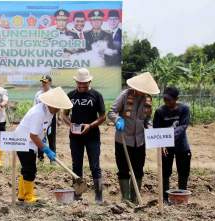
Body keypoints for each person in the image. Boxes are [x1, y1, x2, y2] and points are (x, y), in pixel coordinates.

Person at [108, 72, 159, 204]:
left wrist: (150, 128)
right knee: (123, 169)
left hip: (139, 141)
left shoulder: (148, 100)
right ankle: (125, 199)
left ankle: (135, 198)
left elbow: (147, 119)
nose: (142, 92)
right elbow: (111, 112)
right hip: (123, 139)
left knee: (138, 169)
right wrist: (118, 119)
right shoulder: (125, 96)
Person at [16, 87, 73, 203]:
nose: (58, 109)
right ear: (50, 103)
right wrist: (46, 149)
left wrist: (43, 141)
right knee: (30, 170)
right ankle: (28, 197)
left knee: (27, 169)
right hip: (24, 142)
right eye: (56, 106)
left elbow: (40, 130)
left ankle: (22, 195)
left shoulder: (50, 112)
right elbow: (33, 135)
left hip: (30, 142)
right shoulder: (39, 113)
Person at [63, 68, 106, 203]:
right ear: (76, 82)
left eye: (85, 83)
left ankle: (98, 196)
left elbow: (103, 117)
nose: (82, 86)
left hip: (92, 136)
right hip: (75, 137)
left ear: (90, 81)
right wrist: (70, 124)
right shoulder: (70, 95)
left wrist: (90, 125)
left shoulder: (96, 95)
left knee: (95, 165)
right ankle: (78, 194)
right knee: (76, 165)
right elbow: (64, 114)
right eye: (79, 83)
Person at [153, 87, 191, 204]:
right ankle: (164, 198)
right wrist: (162, 144)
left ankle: (182, 197)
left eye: (169, 100)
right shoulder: (160, 111)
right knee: (165, 171)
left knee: (183, 171)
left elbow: (183, 126)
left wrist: (168, 136)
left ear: (176, 99)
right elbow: (156, 129)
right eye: (165, 100)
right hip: (166, 147)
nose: (167, 102)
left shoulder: (184, 109)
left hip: (181, 145)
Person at [34, 75, 57, 163]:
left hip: (51, 119)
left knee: (51, 139)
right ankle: (40, 158)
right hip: (40, 119)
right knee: (40, 138)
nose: (43, 83)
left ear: (50, 82)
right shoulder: (38, 94)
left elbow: (57, 107)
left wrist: (57, 119)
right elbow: (35, 106)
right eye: (42, 82)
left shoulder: (54, 93)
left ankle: (53, 160)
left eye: (45, 82)